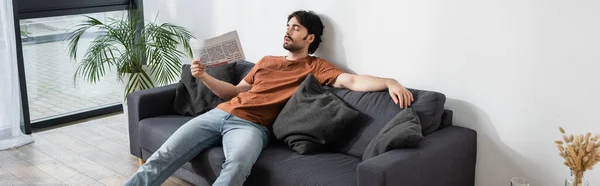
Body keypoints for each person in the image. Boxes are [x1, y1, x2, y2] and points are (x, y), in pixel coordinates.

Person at [124, 10, 414, 186]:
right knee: (164, 155)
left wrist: (389, 81)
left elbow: (351, 80)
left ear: (310, 37)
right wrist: (203, 77)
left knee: (237, 166)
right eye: (287, 26)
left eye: (295, 28)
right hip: (218, 114)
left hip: (252, 127)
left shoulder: (315, 66)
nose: (287, 31)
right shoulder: (266, 60)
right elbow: (235, 92)